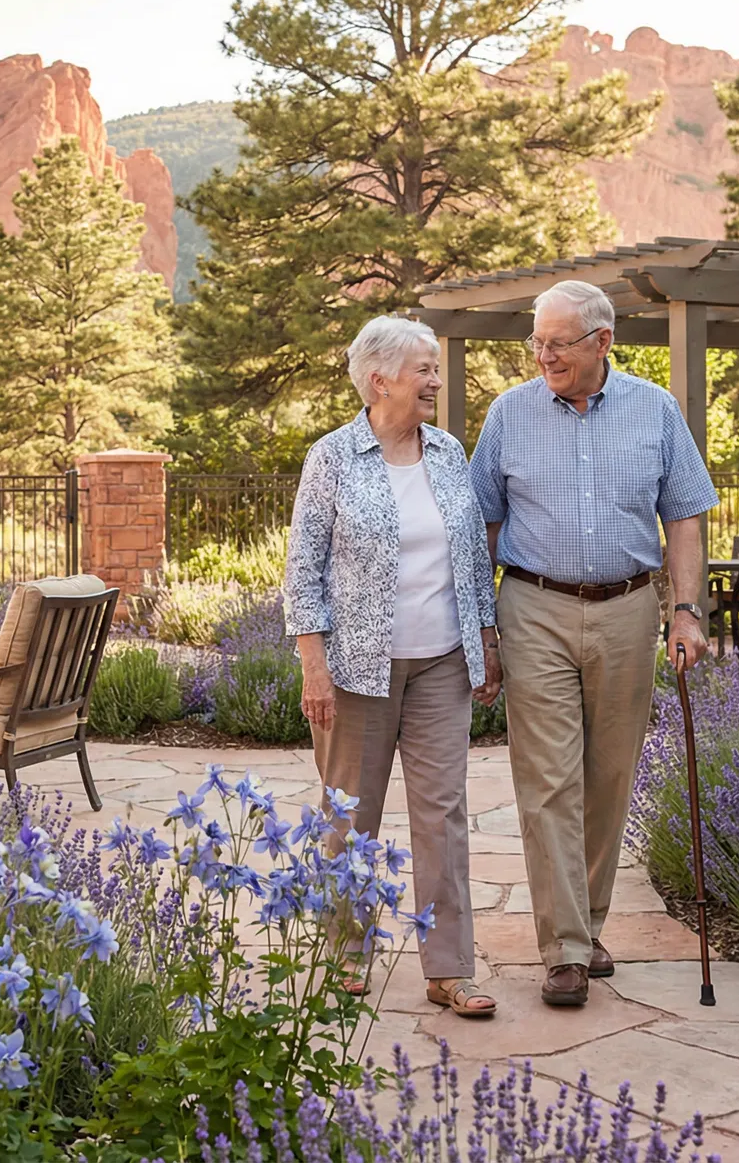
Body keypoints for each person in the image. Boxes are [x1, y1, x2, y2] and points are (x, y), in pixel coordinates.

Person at [469, 279, 716, 1008]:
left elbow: (687, 518)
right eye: (536, 341)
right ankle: (567, 948)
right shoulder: (509, 414)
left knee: (609, 776)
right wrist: (482, 626)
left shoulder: (656, 410)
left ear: (603, 343)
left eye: (558, 342)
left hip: (629, 609)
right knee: (548, 780)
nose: (543, 354)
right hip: (534, 605)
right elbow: (480, 524)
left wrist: (687, 611)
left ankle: (589, 921)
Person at [285, 314, 503, 1018]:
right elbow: (303, 569)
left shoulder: (446, 451)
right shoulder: (333, 457)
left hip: (441, 660)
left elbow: (470, 556)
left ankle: (450, 969)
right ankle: (347, 955)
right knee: (351, 816)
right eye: (425, 370)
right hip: (356, 670)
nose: (436, 381)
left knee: (444, 814)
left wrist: (487, 640)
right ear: (380, 380)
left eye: (435, 369)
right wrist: (312, 665)